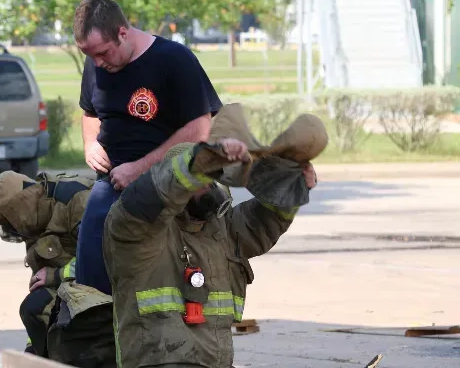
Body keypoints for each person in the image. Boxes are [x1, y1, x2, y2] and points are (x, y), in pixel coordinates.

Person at [102, 103, 328, 368]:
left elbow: (260, 223)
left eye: (213, 180)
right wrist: (200, 163)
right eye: (201, 180)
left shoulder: (219, 229)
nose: (210, 187)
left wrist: (292, 185)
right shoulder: (136, 230)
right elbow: (155, 192)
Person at [74, 0, 222, 296]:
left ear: (123, 32)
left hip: (169, 183)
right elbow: (89, 113)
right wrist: (90, 143)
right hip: (113, 182)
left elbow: (199, 127)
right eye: (90, 56)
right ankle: (92, 333)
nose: (98, 63)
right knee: (91, 265)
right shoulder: (96, 65)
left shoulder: (173, 59)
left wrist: (139, 169)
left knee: (156, 273)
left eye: (102, 53)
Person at [0, 170, 95, 357]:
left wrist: (54, 276)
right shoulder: (33, 221)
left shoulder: (77, 201)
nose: (9, 230)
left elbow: (99, 259)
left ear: (19, 206)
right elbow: (41, 299)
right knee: (35, 305)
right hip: (71, 287)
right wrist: (32, 348)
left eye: (7, 222)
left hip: (105, 287)